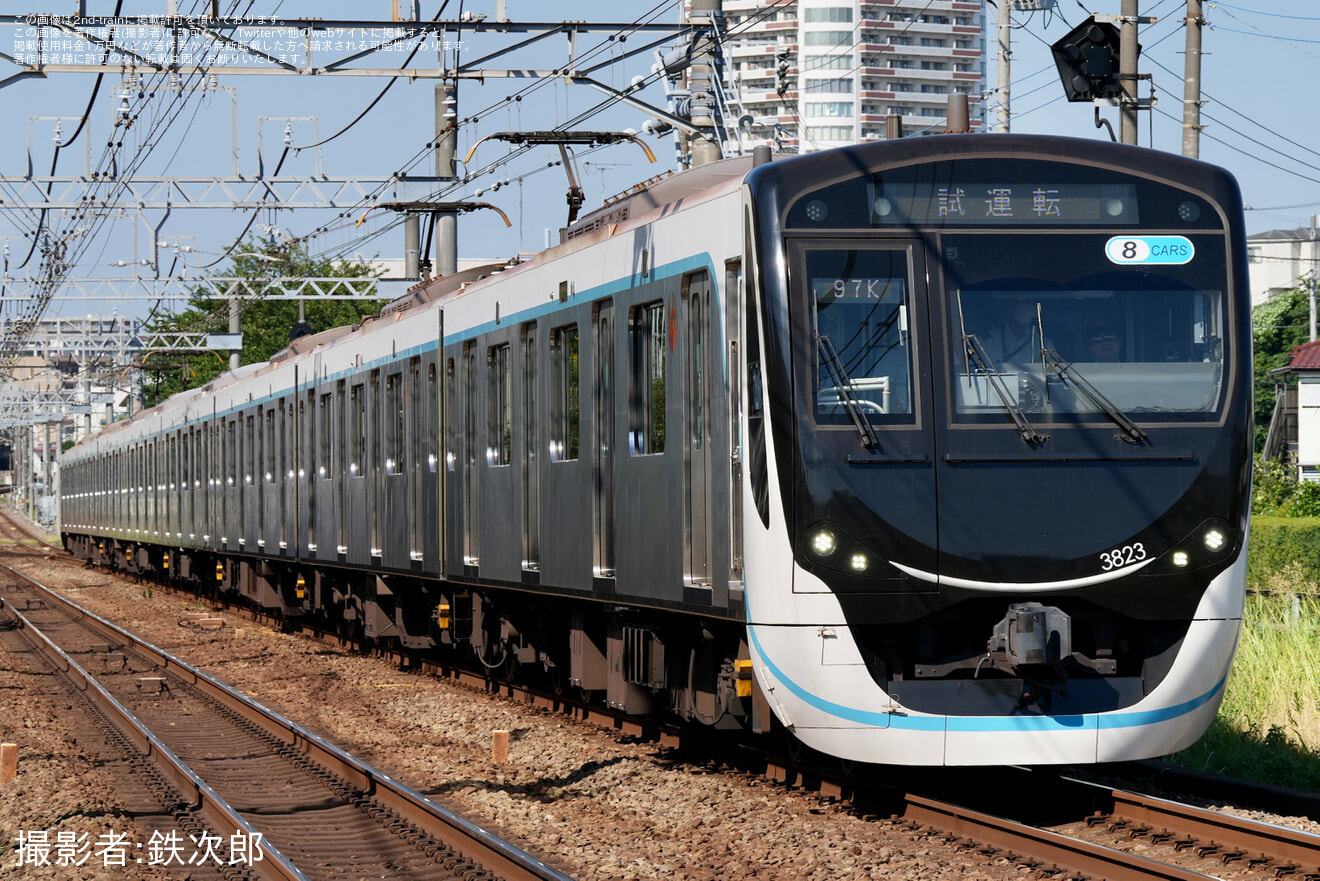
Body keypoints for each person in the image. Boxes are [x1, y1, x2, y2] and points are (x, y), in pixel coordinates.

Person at [978, 298, 1052, 368]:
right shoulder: (985, 343)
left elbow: (1053, 373)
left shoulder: (1044, 345)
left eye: (1029, 307)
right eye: (1021, 306)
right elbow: (973, 373)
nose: (1025, 311)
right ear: (1010, 308)